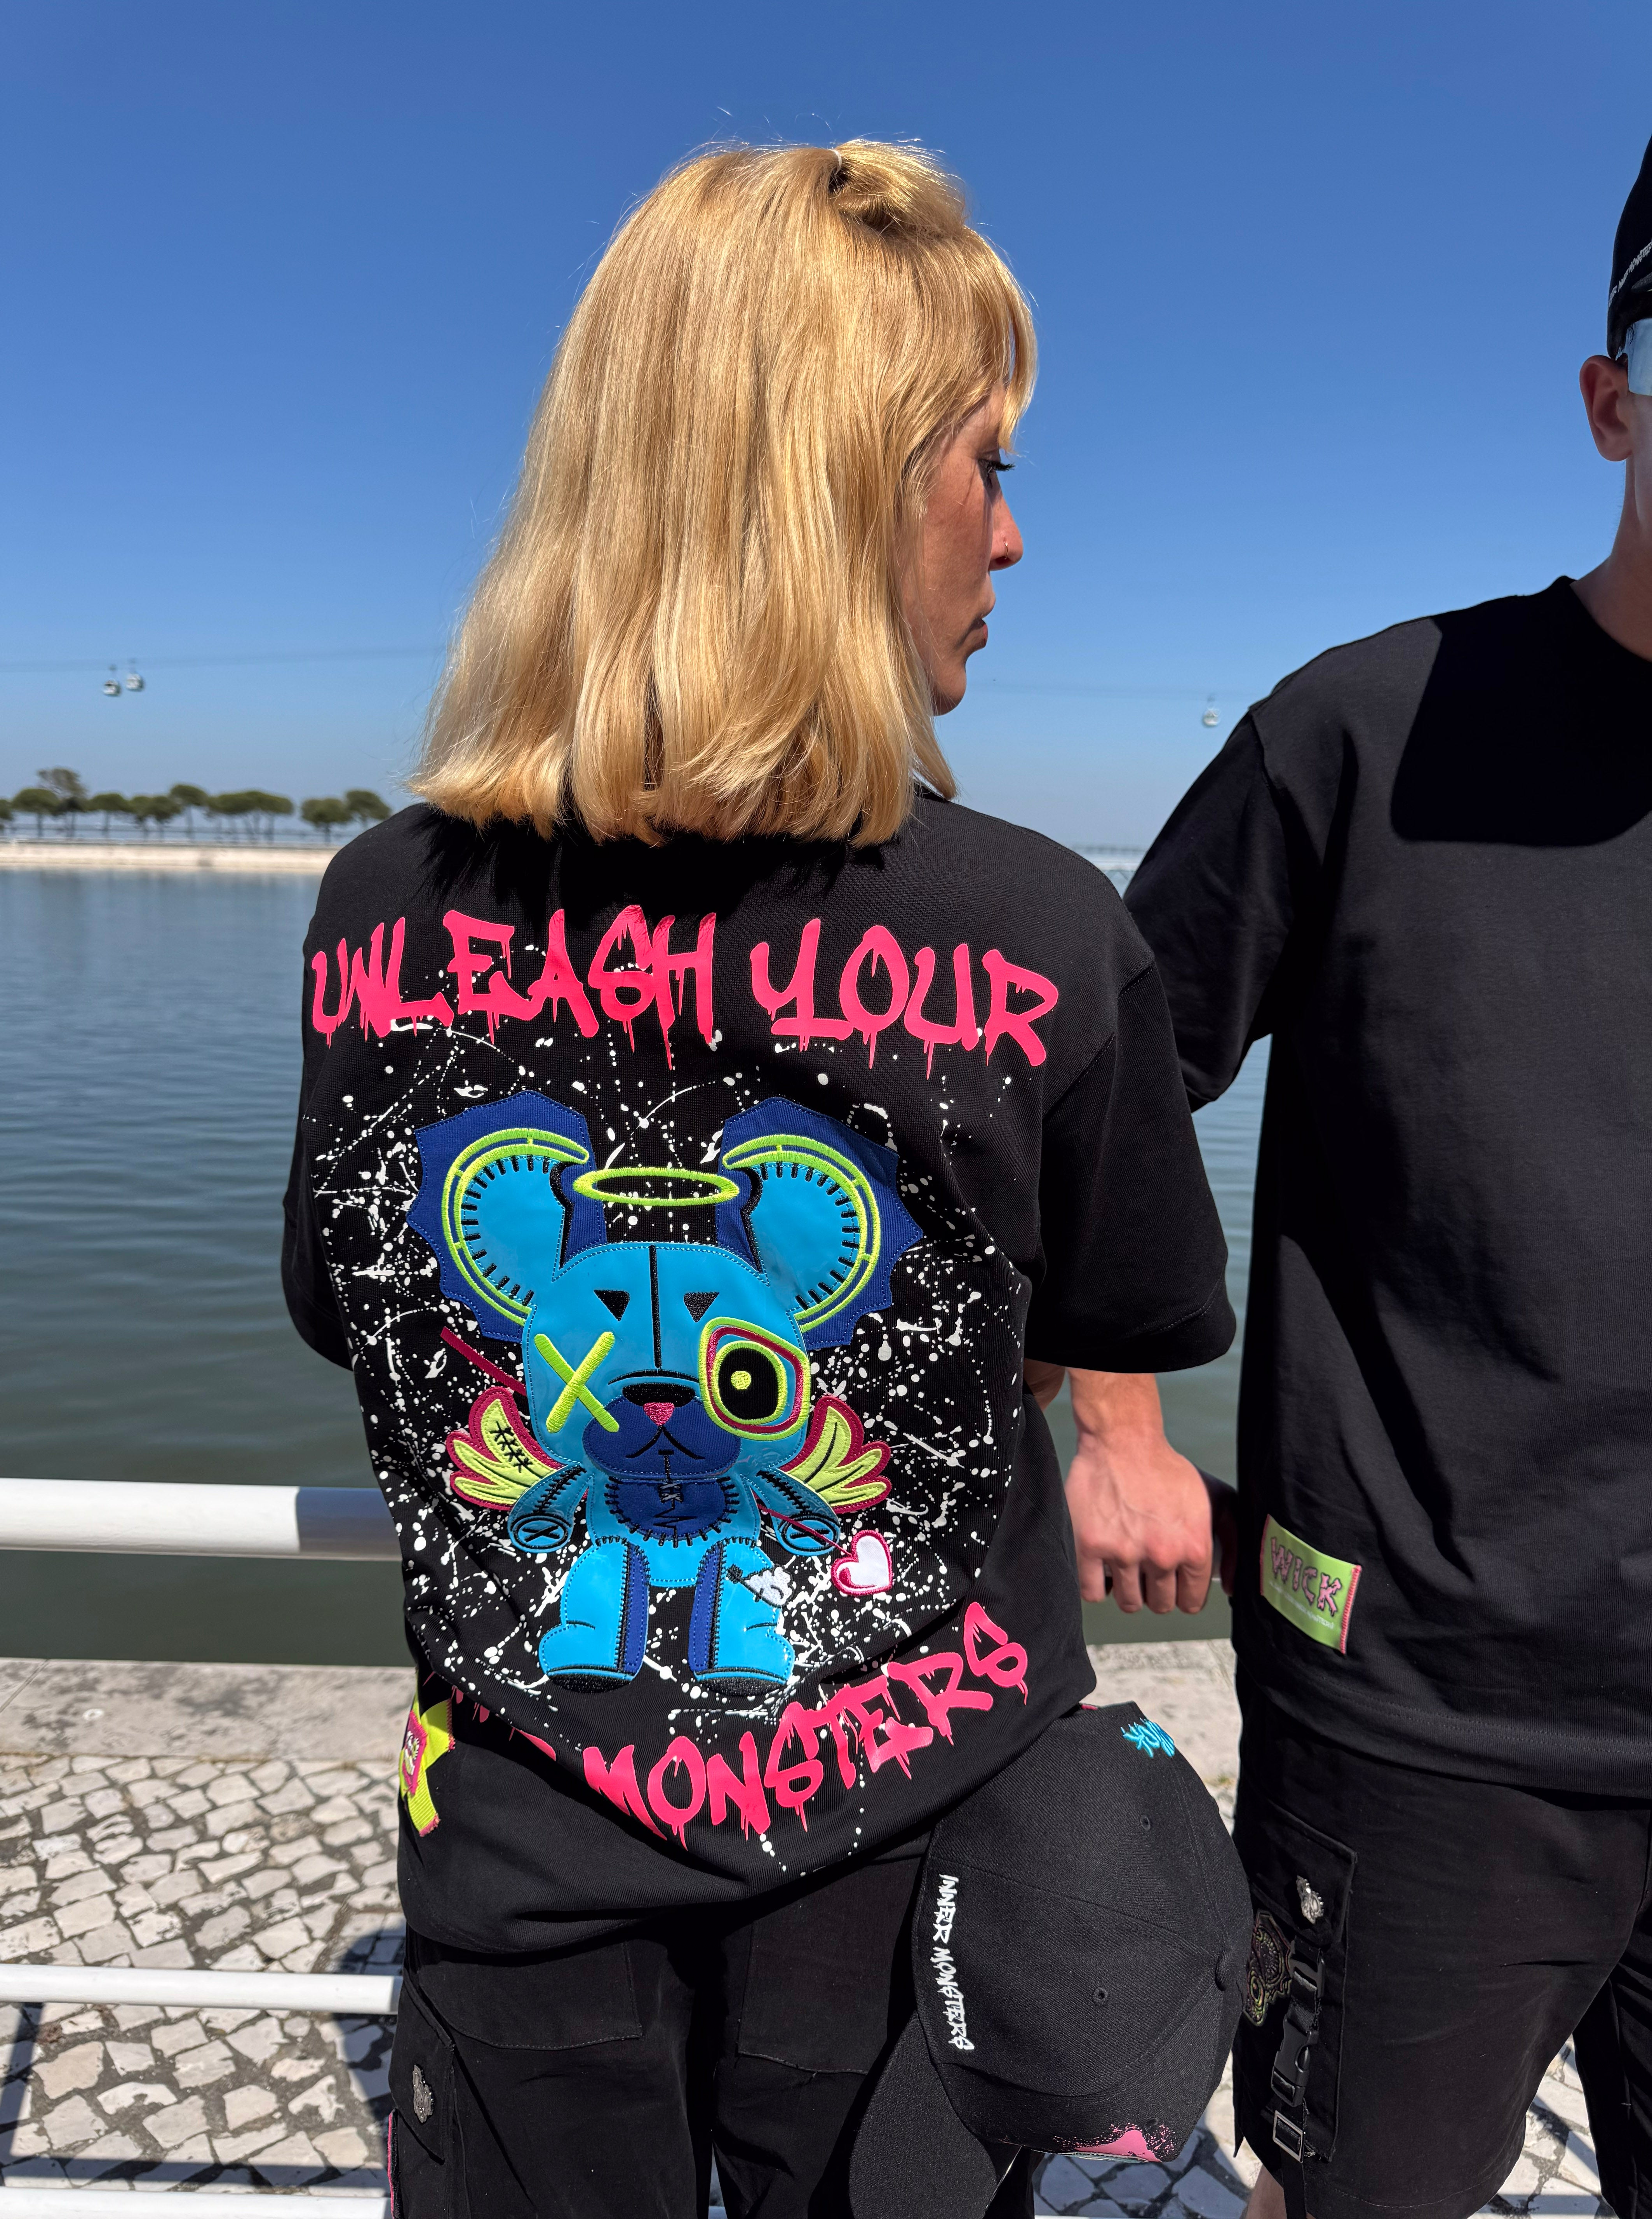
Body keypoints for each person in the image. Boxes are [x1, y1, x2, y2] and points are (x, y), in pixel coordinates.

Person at [281, 140, 1234, 2219]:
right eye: (983, 464)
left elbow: (356, 1317)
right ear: (839, 487)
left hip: (516, 1872)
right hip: (910, 1885)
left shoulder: (375, 911)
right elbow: (1089, 1331)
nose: (1011, 532)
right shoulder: (1040, 935)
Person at [1067, 132, 1652, 2219]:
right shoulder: (1364, 732)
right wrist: (1116, 1422)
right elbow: (1103, 1081)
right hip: (1416, 1729)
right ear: (1613, 400)